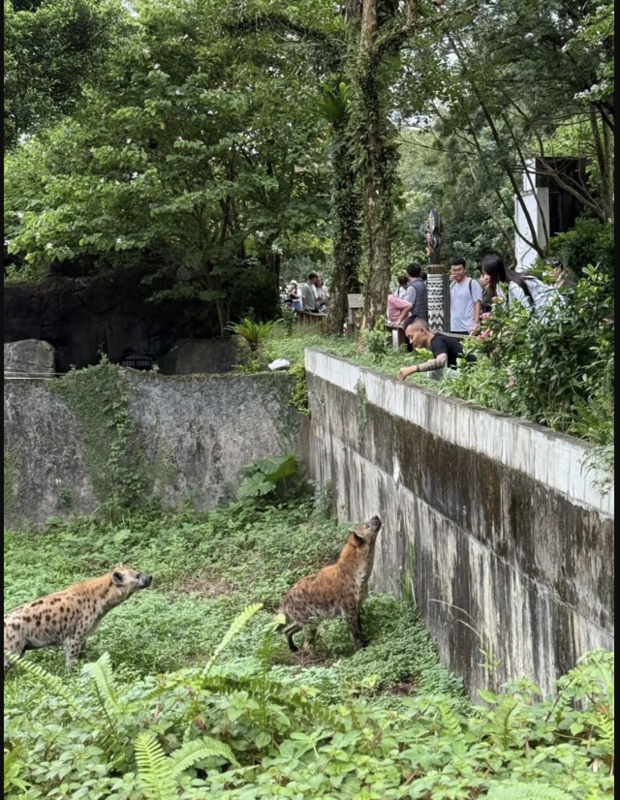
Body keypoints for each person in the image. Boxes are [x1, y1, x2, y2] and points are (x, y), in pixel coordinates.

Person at [398, 318, 475, 381]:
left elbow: (441, 361)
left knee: (433, 371)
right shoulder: (437, 340)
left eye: (411, 337)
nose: (411, 342)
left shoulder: (437, 341)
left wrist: (413, 368)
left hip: (472, 375)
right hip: (467, 373)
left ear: (422, 331)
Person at [481, 254, 553, 314]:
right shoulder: (501, 287)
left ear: (495, 273)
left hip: (551, 312)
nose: (484, 278)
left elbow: (527, 313)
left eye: (486, 274)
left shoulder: (514, 287)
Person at [450, 257, 483, 334]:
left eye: (459, 270)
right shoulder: (452, 285)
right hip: (453, 327)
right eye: (454, 270)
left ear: (465, 269)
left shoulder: (472, 283)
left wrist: (476, 324)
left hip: (468, 328)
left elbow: (477, 304)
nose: (456, 272)